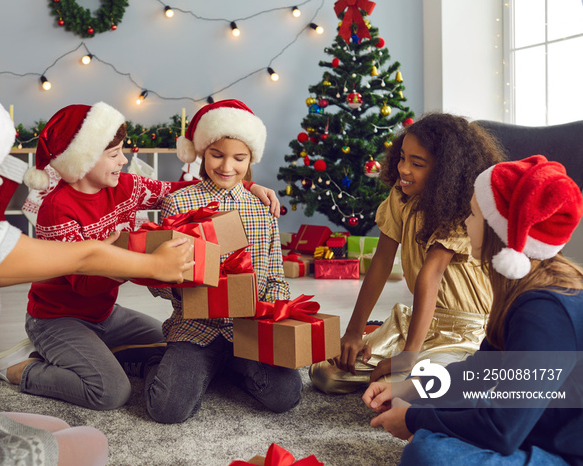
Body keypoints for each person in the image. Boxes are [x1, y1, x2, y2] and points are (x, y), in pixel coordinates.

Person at [0, 72, 195, 465]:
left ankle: (97, 355)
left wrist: (240, 187)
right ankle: (21, 369)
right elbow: (84, 262)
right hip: (44, 334)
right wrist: (152, 264)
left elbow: (170, 193)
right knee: (108, 400)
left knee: (143, 362)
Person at [1, 100, 282, 411]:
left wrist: (248, 185)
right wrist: (135, 256)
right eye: (113, 154)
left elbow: (180, 191)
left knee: (168, 348)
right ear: (82, 159)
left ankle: (95, 354)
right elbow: (83, 284)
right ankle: (23, 369)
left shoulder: (126, 186)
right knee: (110, 392)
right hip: (57, 318)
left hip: (106, 314)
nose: (123, 160)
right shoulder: (57, 209)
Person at [362, 155, 583, 465]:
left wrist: (414, 420)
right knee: (437, 413)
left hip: (563, 453)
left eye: (474, 214)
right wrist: (410, 387)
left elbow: (502, 431)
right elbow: (481, 370)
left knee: (427, 453)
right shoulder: (520, 285)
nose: (466, 223)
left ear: (497, 229)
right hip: (533, 427)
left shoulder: (544, 311)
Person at [310, 113, 504, 394]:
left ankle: (447, 378)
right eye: (402, 157)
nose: (403, 169)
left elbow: (431, 275)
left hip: (465, 330)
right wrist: (354, 331)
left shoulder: (462, 207)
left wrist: (408, 355)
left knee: (397, 392)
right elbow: (381, 262)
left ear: (445, 171)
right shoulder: (400, 198)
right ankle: (414, 378)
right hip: (416, 321)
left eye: (417, 163)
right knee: (325, 374)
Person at [145, 99, 302, 423]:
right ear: (202, 152)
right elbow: (158, 279)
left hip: (249, 329)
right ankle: (164, 365)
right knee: (167, 410)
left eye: (239, 158)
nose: (227, 166)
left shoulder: (263, 209)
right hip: (194, 328)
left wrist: (278, 321)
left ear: (251, 159)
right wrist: (179, 286)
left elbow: (274, 277)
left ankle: (228, 366)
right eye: (217, 155)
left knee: (287, 395)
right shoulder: (178, 203)